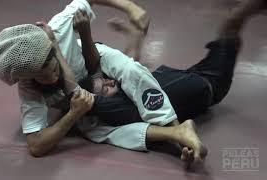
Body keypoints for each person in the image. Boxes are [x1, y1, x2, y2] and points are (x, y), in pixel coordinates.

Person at [0, 0, 208, 162]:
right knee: (95, 131)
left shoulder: (58, 27)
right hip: (83, 95)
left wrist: (131, 7)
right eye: (39, 76)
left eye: (50, 66)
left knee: (132, 70)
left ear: (51, 48)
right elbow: (35, 145)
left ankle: (178, 131)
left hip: (95, 60)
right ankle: (176, 133)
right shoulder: (28, 87)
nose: (49, 77)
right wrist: (72, 115)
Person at [79, 0, 267, 160]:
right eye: (105, 89)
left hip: (187, 74)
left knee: (125, 77)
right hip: (210, 82)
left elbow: (129, 65)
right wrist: (180, 143)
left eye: (106, 81)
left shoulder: (121, 89)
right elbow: (148, 130)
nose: (110, 83)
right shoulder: (120, 114)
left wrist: (133, 37)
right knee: (232, 22)